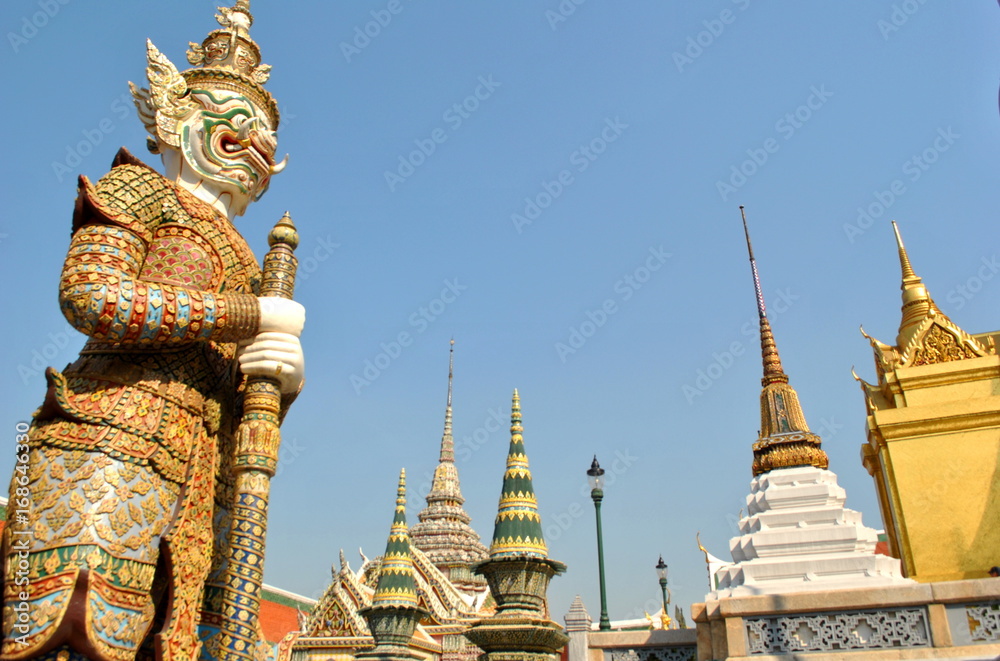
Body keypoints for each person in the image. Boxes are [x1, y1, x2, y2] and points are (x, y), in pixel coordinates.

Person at [1, 3, 304, 659]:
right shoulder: (139, 191)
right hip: (109, 439)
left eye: (265, 136)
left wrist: (281, 383)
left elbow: (241, 390)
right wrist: (250, 316)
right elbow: (91, 296)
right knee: (73, 628)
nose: (257, 144)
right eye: (238, 123)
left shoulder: (252, 263)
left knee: (182, 643)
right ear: (176, 116)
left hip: (207, 483)